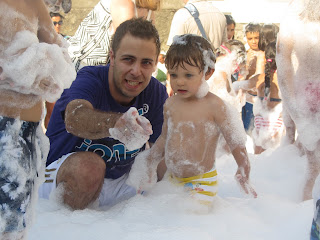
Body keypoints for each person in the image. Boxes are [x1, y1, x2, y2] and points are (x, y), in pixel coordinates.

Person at [38, 18, 168, 210]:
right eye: (128, 59)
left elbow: (161, 151)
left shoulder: (155, 92)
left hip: (120, 182)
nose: (136, 71)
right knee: (89, 168)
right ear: (112, 57)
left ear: (155, 64)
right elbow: (75, 117)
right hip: (62, 180)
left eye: (146, 63)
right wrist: (117, 124)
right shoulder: (89, 79)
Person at [127, 34, 257, 206]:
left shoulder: (215, 106)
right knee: (168, 219)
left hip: (202, 182)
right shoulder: (170, 104)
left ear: (207, 73)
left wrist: (243, 167)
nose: (179, 82)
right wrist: (149, 161)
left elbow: (235, 142)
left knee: (191, 222)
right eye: (173, 75)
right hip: (172, 180)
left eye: (188, 75)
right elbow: (165, 138)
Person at [0, 0, 76, 239]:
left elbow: (64, 61)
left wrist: (45, 64)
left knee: (17, 226)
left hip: (29, 133)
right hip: (4, 128)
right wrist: (18, 75)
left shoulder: (33, 5)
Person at [276, 0, 320, 201]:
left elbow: (283, 58)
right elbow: (282, 60)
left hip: (307, 94)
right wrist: (292, 104)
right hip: (309, 96)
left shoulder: (294, 16)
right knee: (313, 166)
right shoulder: (294, 16)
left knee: (313, 167)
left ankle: (306, 217)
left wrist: (292, 102)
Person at [68, 0, 160, 71]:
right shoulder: (123, 4)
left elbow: (151, 45)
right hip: (81, 67)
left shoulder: (149, 9)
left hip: (107, 68)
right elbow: (127, 47)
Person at [251, 42, 284, 154]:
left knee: (258, 156)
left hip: (260, 119)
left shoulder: (260, 78)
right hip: (277, 120)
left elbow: (241, 86)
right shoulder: (284, 80)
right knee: (274, 157)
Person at [241, 22, 265, 133]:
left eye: (257, 38)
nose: (254, 41)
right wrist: (247, 66)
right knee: (246, 132)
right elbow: (240, 79)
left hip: (260, 100)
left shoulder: (265, 54)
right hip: (247, 100)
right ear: (246, 38)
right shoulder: (245, 54)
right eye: (250, 38)